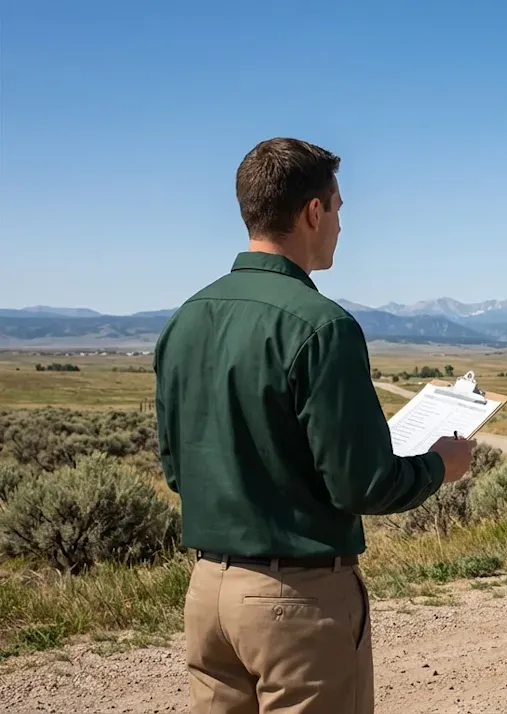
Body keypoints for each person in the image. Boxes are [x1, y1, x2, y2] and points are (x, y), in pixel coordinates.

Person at [152, 136, 475, 713]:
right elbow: (363, 484)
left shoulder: (185, 320)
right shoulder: (323, 327)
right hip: (296, 600)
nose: (342, 226)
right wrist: (438, 466)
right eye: (340, 208)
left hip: (207, 594)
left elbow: (178, 469)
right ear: (313, 211)